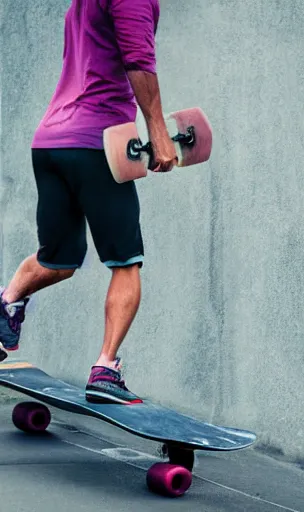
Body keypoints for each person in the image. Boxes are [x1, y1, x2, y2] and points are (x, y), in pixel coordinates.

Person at [0, 0, 175, 404]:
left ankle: (7, 302)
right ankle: (105, 369)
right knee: (126, 261)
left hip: (50, 142)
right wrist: (158, 129)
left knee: (57, 259)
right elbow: (139, 61)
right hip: (96, 142)